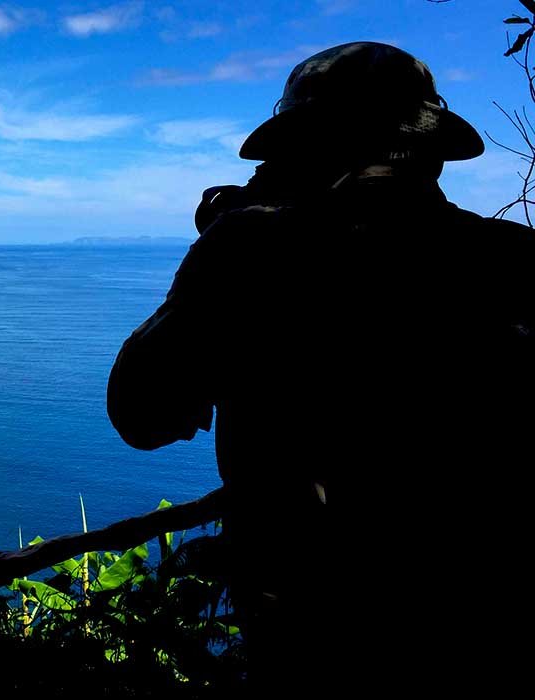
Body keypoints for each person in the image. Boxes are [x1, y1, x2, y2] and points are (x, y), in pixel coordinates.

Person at [107, 42, 533, 695]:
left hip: (310, 642)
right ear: (430, 151)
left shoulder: (251, 253)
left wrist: (241, 234)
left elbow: (141, 413)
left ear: (300, 149)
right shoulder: (515, 260)